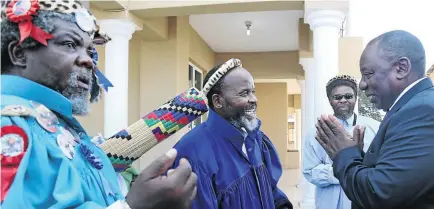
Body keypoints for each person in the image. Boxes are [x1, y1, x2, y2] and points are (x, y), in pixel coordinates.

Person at [0, 1, 197, 208]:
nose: (88, 61)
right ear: (19, 54)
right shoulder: (8, 122)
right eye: (69, 44)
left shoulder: (59, 124)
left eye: (89, 51)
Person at [315, 30, 434, 209]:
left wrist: (344, 154)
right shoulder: (410, 107)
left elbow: (380, 193)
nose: (362, 84)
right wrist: (357, 156)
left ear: (401, 68)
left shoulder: (421, 111)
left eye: (368, 74)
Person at [168, 58, 293, 209]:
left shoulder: (256, 138)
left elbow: (270, 190)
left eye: (253, 91)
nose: (253, 99)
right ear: (218, 101)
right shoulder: (192, 154)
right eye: (244, 93)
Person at [302, 75, 380, 209]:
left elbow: (379, 167)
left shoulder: (374, 127)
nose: (343, 100)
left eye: (348, 96)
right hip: (328, 203)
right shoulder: (315, 131)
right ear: (330, 100)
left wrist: (343, 168)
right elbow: (309, 171)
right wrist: (351, 171)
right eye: (337, 97)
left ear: (356, 98)